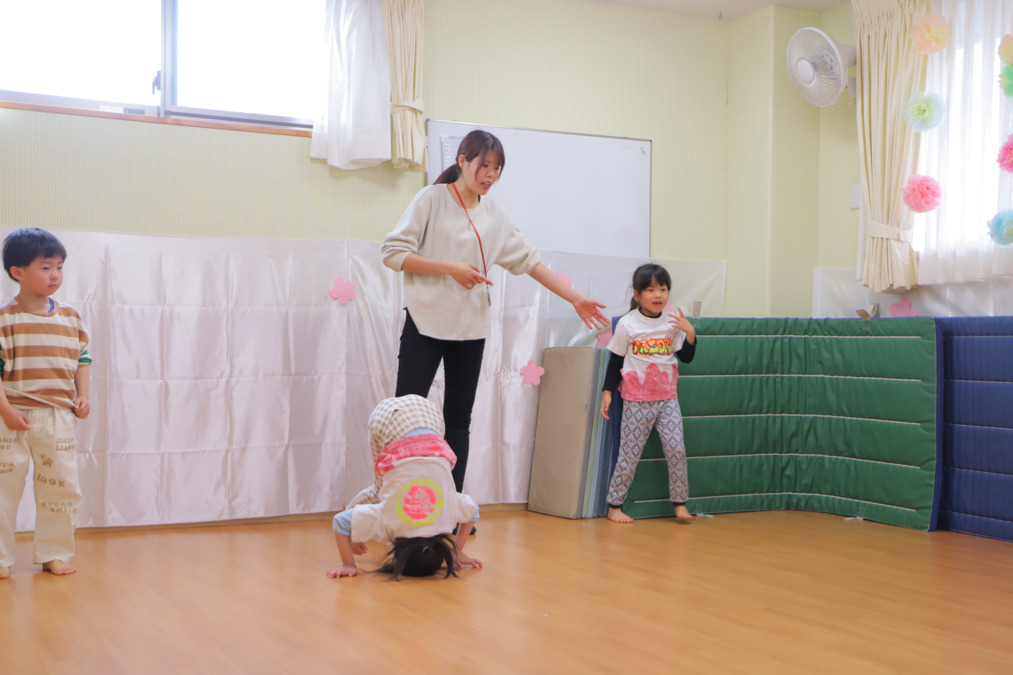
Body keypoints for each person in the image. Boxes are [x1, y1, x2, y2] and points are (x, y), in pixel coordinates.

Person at [381, 129, 610, 493]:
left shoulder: (495, 216)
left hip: (470, 331)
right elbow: (392, 253)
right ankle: (397, 501)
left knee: (458, 422)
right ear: (462, 162)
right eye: (484, 165)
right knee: (405, 417)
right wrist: (451, 268)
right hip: (424, 324)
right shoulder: (431, 200)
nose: (490, 175)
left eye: (497, 168)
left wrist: (575, 298)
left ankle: (451, 511)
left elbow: (530, 262)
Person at [0, 228, 91, 578]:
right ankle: (3, 558)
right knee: (4, 491)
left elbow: (82, 360)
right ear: (17, 272)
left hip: (58, 417)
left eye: (59, 267)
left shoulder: (70, 318)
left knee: (62, 487)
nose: (55, 275)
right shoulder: (5, 319)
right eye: (46, 267)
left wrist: (82, 396)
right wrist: (6, 411)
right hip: (12, 416)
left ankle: (54, 553)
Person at [326, 395, 482, 580]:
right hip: (386, 419)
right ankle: (359, 522)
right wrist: (348, 563)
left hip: (429, 414)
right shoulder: (390, 524)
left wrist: (457, 551)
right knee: (379, 491)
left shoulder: (447, 518)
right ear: (397, 552)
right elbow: (340, 522)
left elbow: (473, 511)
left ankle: (359, 521)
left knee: (382, 492)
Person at [600, 263, 696, 524]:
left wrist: (690, 333)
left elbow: (686, 357)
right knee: (629, 454)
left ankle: (680, 504)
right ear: (637, 294)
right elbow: (615, 361)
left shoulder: (673, 321)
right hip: (637, 400)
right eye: (651, 289)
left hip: (668, 399)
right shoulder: (628, 325)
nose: (658, 295)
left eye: (663, 289)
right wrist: (607, 392)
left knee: (676, 449)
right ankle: (615, 506)